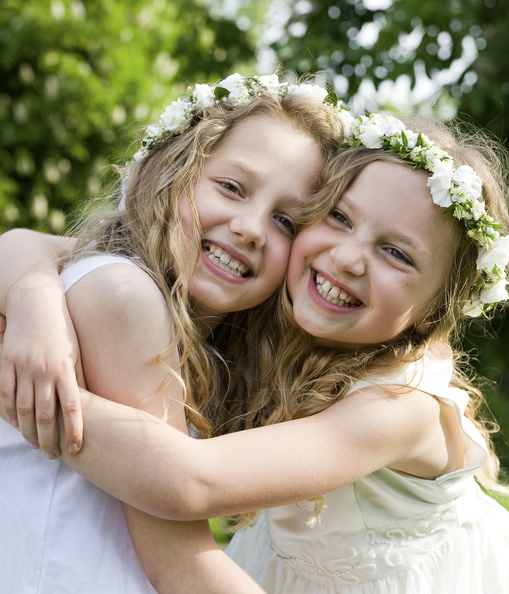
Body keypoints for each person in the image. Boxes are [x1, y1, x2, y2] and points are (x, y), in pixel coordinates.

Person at [2, 114, 509, 593]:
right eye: (338, 219)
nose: (349, 258)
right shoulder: (264, 335)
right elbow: (37, 246)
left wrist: (40, 391)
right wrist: (32, 300)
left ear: (432, 312)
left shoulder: (399, 406)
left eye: (396, 253)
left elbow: (188, 483)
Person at [0, 73, 350, 593]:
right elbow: (178, 561)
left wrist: (30, 294)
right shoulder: (125, 295)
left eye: (286, 222)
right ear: (161, 175)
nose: (251, 228)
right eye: (231, 188)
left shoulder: (104, 285)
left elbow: (24, 242)